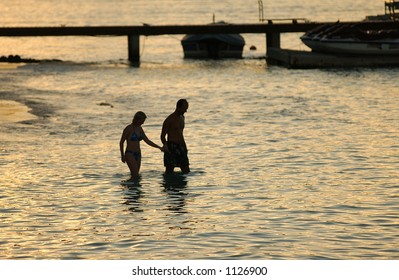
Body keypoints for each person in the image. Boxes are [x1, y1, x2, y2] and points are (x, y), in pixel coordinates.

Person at [120, 111, 163, 180]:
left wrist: (159, 147)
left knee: (136, 176)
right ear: (137, 119)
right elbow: (121, 142)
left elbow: (147, 141)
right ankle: (128, 188)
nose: (143, 123)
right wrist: (122, 155)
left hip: (138, 154)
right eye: (142, 121)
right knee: (135, 175)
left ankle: (133, 189)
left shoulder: (140, 129)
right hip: (130, 153)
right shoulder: (128, 128)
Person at [161, 99, 190, 174]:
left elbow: (181, 134)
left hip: (181, 146)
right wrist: (165, 145)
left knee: (186, 170)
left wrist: (185, 147)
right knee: (169, 171)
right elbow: (162, 136)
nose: (186, 111)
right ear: (178, 107)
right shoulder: (169, 120)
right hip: (172, 146)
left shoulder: (182, 118)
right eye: (184, 109)